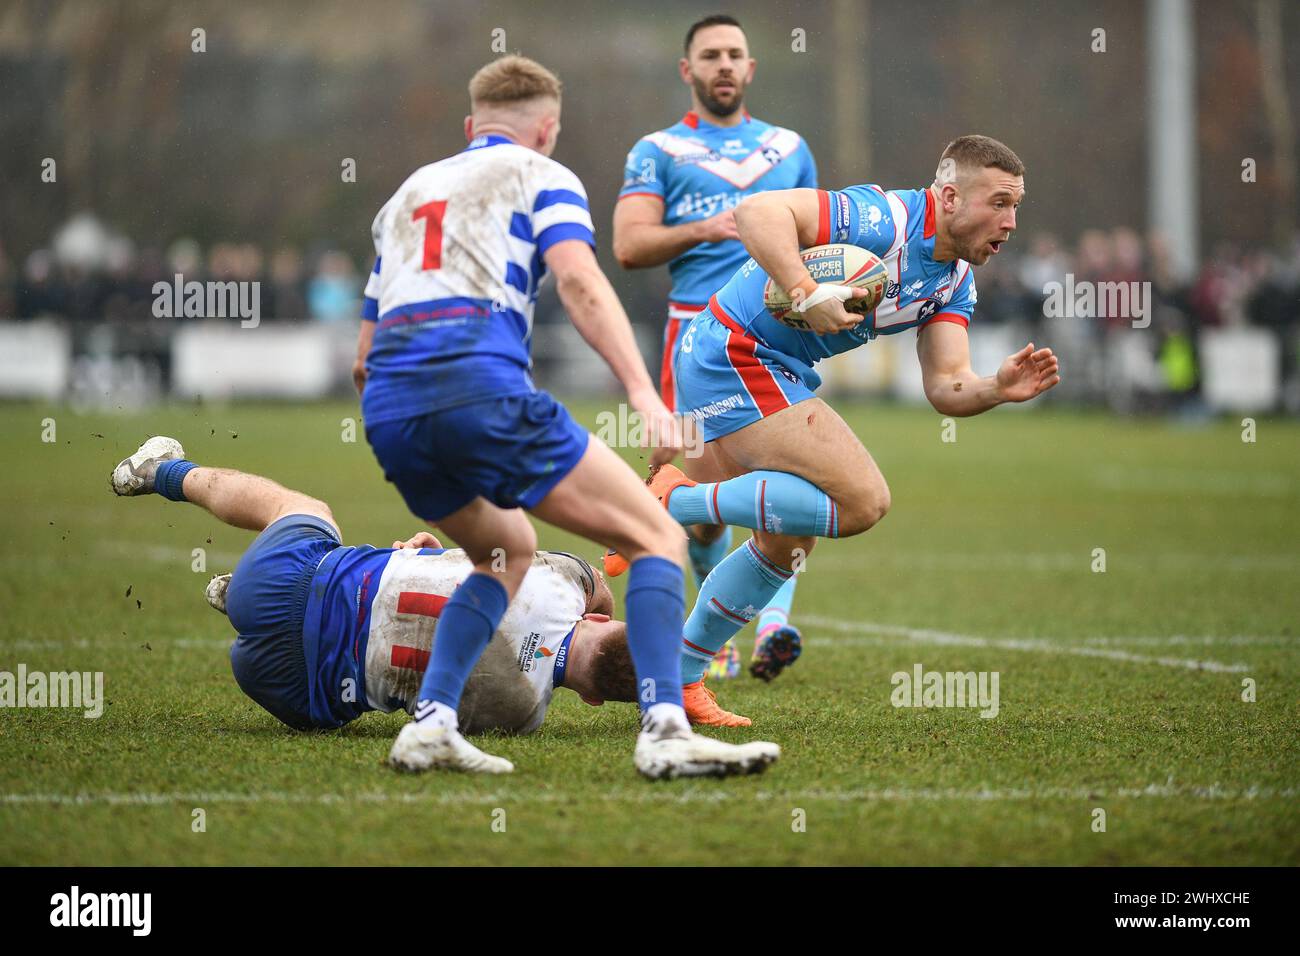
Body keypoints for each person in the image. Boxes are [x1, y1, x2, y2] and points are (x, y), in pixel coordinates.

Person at [350, 55, 778, 778]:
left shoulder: (403, 197)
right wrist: (645, 395)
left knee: (506, 552)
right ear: (546, 130)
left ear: (470, 126)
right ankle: (667, 732)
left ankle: (432, 724)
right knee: (652, 536)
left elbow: (364, 355)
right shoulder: (543, 175)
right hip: (479, 387)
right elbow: (580, 279)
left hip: (391, 413)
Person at [609, 135, 1061, 724]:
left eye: (1017, 206)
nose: (1011, 221)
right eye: (999, 203)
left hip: (756, 364)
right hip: (735, 353)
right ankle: (676, 501)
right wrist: (805, 289)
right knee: (863, 501)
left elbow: (947, 384)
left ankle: (683, 679)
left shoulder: (954, 282)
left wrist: (996, 389)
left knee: (786, 541)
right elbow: (757, 212)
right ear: (949, 197)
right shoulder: (886, 219)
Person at [110, 436, 648, 740]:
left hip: (288, 584)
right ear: (595, 699)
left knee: (307, 513)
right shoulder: (521, 719)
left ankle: (161, 471)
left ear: (600, 622)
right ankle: (242, 604)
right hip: (294, 692)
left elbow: (595, 589)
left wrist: (433, 562)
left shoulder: (560, 582)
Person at [612, 14, 820, 698]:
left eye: (735, 53)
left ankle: (768, 625)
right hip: (696, 339)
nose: (724, 64)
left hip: (778, 336)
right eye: (710, 55)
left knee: (790, 480)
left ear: (752, 68)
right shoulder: (658, 149)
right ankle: (722, 624)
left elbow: (816, 242)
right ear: (688, 71)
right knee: (705, 511)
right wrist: (707, 226)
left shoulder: (790, 148)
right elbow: (628, 246)